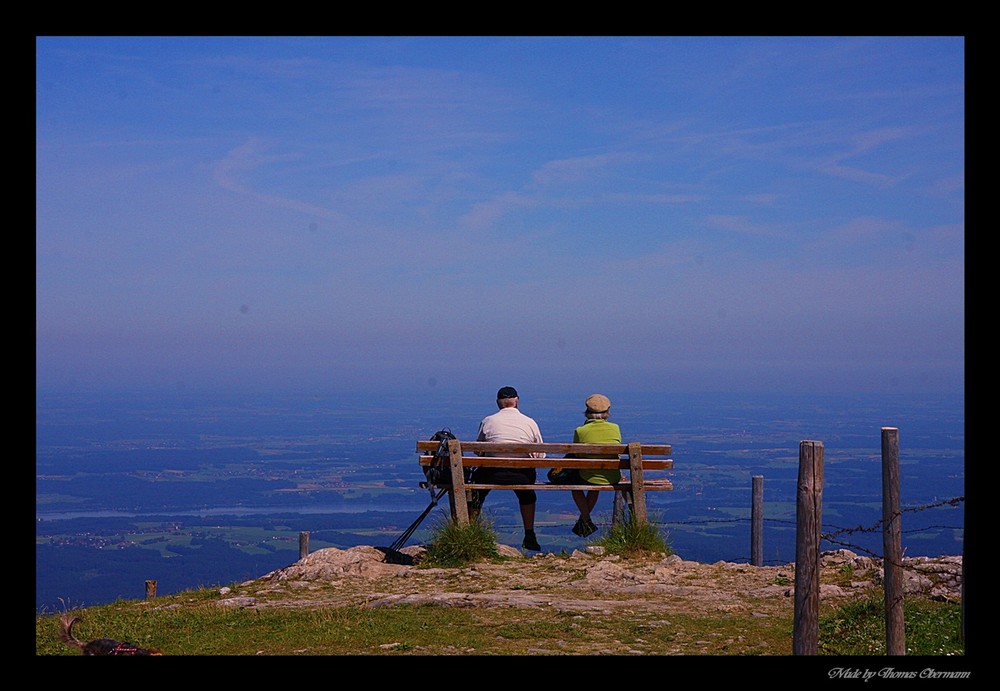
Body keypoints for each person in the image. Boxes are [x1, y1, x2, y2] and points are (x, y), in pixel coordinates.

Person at [470, 386, 546, 551]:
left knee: (476, 495)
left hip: (491, 473)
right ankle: (529, 534)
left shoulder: (488, 421)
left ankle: (469, 530)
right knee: (527, 496)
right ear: (517, 401)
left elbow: (478, 450)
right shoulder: (529, 422)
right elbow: (540, 454)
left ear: (498, 403)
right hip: (522, 475)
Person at [549, 393, 622, 538]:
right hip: (612, 477)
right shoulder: (615, 428)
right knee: (595, 482)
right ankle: (585, 520)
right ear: (607, 412)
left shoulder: (580, 431)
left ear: (587, 412)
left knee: (576, 486)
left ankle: (586, 518)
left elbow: (577, 455)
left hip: (587, 475)